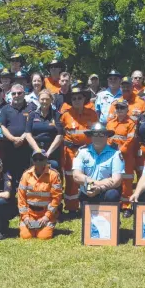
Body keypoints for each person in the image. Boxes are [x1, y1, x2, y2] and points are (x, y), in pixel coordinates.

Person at [59, 85, 98, 215]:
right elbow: (61, 133)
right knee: (70, 179)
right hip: (71, 151)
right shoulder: (65, 115)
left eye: (79, 98)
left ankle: (90, 202)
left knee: (89, 176)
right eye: (74, 98)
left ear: (84, 99)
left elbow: (95, 133)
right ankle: (71, 207)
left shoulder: (92, 114)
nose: (76, 100)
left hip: (88, 150)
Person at [73, 122, 123, 206]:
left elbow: (117, 180)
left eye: (102, 134)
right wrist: (95, 183)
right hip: (89, 188)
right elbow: (76, 176)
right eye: (95, 134)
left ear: (107, 136)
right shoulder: (82, 152)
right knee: (88, 193)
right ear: (91, 136)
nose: (98, 137)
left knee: (113, 194)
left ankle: (112, 217)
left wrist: (99, 188)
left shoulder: (115, 153)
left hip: (106, 190)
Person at [18, 149, 62, 240]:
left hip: (45, 213)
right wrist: (25, 218)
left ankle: (47, 225)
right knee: (26, 236)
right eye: (35, 159)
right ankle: (29, 226)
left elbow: (56, 199)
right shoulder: (26, 175)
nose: (38, 161)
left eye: (41, 159)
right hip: (29, 213)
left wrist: (47, 217)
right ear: (32, 161)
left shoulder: (53, 175)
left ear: (46, 160)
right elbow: (21, 198)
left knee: (44, 237)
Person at [106, 99, 137, 216]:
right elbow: (107, 138)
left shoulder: (131, 123)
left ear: (127, 110)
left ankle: (126, 206)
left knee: (127, 181)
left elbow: (131, 139)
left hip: (126, 156)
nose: (119, 110)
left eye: (122, 108)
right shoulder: (110, 123)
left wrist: (120, 150)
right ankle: (115, 202)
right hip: (112, 155)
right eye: (117, 108)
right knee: (113, 179)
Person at [0, 84, 34, 188]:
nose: (16, 95)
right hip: (9, 148)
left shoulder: (31, 107)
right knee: (10, 176)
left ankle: (24, 199)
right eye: (14, 93)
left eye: (19, 93)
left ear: (24, 94)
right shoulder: (5, 109)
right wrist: (13, 139)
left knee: (26, 175)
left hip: (26, 148)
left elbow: (32, 125)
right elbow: (2, 126)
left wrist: (23, 138)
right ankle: (11, 200)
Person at [25, 89, 63, 172]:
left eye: (47, 99)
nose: (44, 101)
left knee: (53, 178)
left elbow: (59, 135)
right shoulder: (32, 114)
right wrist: (38, 151)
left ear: (51, 100)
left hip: (52, 153)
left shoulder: (56, 115)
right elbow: (28, 134)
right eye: (42, 99)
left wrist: (48, 153)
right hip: (35, 153)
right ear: (38, 100)